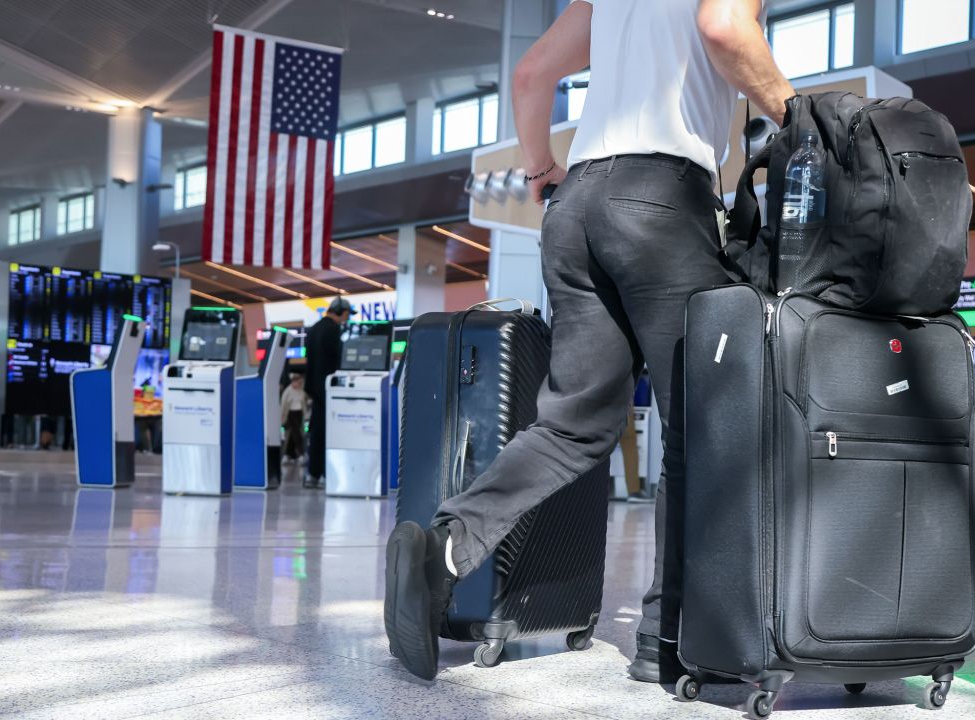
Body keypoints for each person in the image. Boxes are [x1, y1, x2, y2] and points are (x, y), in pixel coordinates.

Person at [383, 0, 793, 682]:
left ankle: (446, 549)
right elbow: (724, 27)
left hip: (576, 206)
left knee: (572, 425)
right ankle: (672, 638)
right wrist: (798, 117)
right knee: (701, 429)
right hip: (662, 199)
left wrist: (542, 166)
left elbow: (532, 72)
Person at [303, 297, 356, 488]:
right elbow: (340, 358)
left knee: (316, 432)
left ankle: (312, 474)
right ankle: (327, 474)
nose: (346, 319)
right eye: (347, 315)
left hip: (314, 389)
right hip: (329, 389)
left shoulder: (314, 328)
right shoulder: (334, 330)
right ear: (340, 311)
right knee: (329, 433)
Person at [280, 371, 309, 463]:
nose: (296, 384)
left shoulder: (301, 390)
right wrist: (282, 418)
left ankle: (289, 454)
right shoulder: (287, 391)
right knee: (297, 433)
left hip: (299, 413)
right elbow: (283, 405)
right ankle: (300, 453)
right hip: (291, 414)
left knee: (294, 433)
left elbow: (305, 401)